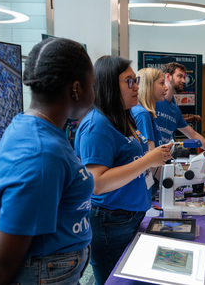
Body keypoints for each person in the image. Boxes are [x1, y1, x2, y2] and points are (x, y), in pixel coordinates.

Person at [0, 38, 94, 284]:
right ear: (76, 88)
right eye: (93, 85)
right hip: (44, 273)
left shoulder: (34, 128)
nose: (95, 93)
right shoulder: (42, 153)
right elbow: (1, 262)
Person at [74, 56, 172, 285]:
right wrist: (148, 160)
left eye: (135, 80)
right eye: (129, 81)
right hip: (110, 219)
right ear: (108, 84)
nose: (136, 86)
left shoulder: (121, 117)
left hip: (128, 216)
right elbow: (97, 183)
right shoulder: (97, 125)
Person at [156, 62, 205, 165]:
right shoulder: (153, 102)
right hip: (148, 160)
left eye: (184, 77)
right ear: (168, 76)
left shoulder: (175, 109)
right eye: (179, 76)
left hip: (163, 160)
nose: (183, 80)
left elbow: (193, 134)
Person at [131, 68, 166, 151]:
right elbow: (149, 154)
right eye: (162, 83)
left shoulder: (138, 111)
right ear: (148, 86)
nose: (166, 87)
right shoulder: (142, 114)